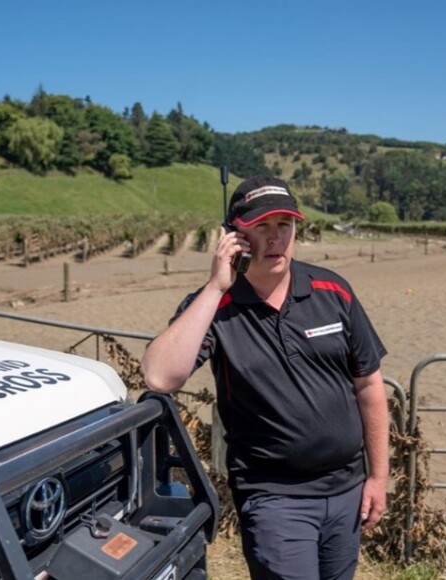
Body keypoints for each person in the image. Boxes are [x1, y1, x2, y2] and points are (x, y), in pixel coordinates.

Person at [142, 175, 389, 580]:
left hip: (347, 490)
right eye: (262, 227)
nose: (276, 239)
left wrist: (378, 477)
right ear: (233, 236)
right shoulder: (215, 306)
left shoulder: (333, 291)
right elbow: (159, 376)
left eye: (284, 226)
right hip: (275, 499)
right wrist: (216, 285)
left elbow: (369, 385)